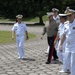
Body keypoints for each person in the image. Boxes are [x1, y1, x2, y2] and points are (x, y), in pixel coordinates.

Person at [59, 8, 75, 75]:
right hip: (67, 45)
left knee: (73, 61)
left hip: (74, 45)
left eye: (70, 15)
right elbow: (64, 35)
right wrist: (61, 44)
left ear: (74, 15)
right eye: (68, 16)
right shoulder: (66, 24)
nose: (69, 17)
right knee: (67, 60)